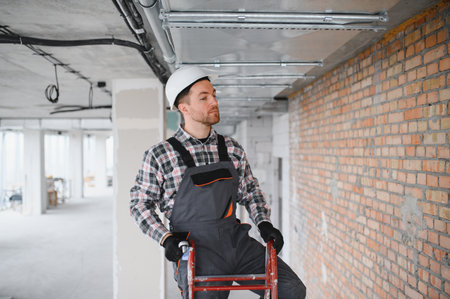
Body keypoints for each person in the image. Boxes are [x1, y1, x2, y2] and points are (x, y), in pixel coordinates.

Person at [130, 66, 306, 299]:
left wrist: (263, 223)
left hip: (236, 242)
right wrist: (165, 238)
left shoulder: (231, 148)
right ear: (184, 108)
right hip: (197, 250)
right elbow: (139, 204)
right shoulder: (160, 155)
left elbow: (250, 191)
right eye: (204, 98)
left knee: (291, 290)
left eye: (213, 94)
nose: (214, 101)